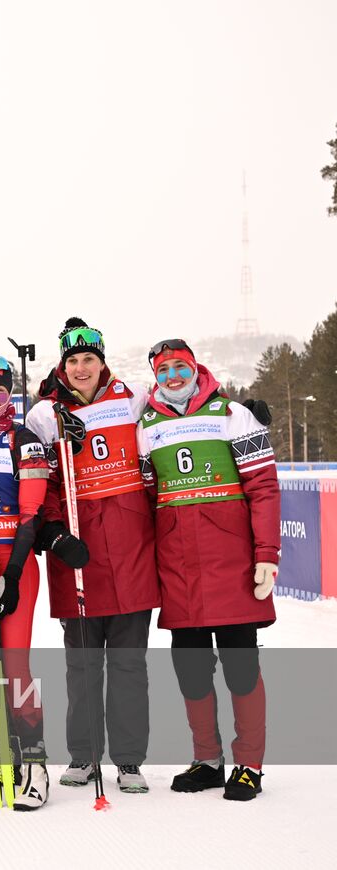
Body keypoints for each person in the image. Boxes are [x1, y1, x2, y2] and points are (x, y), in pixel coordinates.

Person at [137, 339, 279, 801]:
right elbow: (144, 493)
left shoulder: (233, 414)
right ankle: (207, 760)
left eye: (181, 367)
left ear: (196, 368)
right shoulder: (146, 424)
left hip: (233, 564)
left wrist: (267, 554)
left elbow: (262, 488)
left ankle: (249, 766)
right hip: (178, 570)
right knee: (192, 669)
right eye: (164, 370)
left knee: (241, 667)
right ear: (155, 377)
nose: (173, 376)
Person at [24, 318, 157, 793]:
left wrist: (243, 415)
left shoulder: (133, 398)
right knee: (81, 666)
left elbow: (178, 414)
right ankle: (82, 755)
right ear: (63, 366)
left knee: (128, 665)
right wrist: (54, 531)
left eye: (90, 359)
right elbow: (38, 482)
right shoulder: (45, 415)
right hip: (77, 556)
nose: (82, 368)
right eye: (73, 360)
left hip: (131, 552)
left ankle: (128, 760)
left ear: (103, 362)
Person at [0, 354, 69, 810]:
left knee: (15, 667)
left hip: (11, 559)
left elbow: (30, 515)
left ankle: (37, 765)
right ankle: (6, 756)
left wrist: (16, 574)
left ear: (10, 396)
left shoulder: (23, 440)